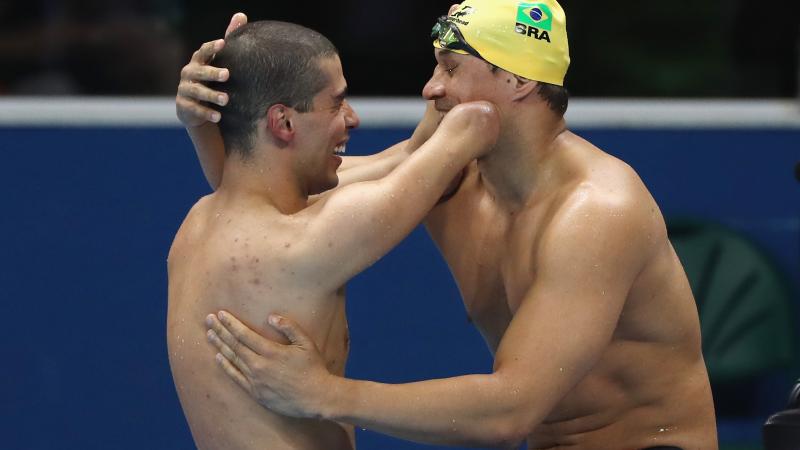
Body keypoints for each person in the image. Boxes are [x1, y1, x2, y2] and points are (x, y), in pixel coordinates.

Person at [189, 2, 719, 449]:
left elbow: (511, 411)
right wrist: (208, 116)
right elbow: (268, 198)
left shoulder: (597, 210)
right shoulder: (450, 178)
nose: (430, 89)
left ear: (514, 81)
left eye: (450, 68)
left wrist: (324, 394)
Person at [167, 19, 499, 450]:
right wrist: (466, 52)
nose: (353, 118)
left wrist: (205, 121)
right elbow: (470, 128)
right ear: (283, 122)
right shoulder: (302, 243)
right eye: (337, 103)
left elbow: (410, 155)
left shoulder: (201, 222)